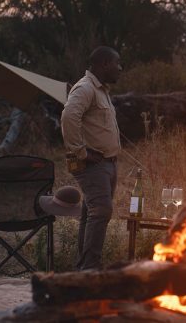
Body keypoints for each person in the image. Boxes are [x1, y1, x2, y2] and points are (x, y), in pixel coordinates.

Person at [61, 46, 122, 270]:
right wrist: (81, 152)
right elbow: (69, 116)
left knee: (91, 212)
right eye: (117, 63)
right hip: (93, 165)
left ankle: (84, 267)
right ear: (104, 64)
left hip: (108, 163)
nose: (120, 69)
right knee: (101, 210)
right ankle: (90, 267)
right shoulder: (85, 88)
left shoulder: (101, 90)